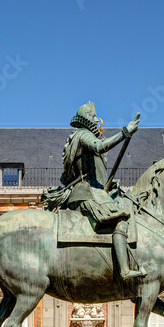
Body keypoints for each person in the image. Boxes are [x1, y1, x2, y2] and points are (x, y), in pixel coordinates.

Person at [61, 101, 145, 280]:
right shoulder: (83, 135)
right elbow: (100, 147)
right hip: (88, 192)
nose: (98, 122)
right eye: (94, 117)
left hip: (92, 190)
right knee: (121, 220)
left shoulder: (78, 137)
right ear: (87, 119)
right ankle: (124, 270)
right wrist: (125, 132)